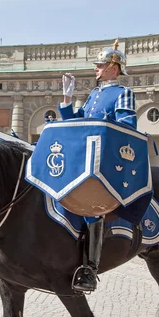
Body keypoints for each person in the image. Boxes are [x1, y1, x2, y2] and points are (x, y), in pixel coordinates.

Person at [59, 40, 138, 292]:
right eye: (96, 65)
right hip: (84, 157)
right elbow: (75, 122)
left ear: (114, 68)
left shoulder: (123, 93)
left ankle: (90, 268)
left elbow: (127, 127)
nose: (96, 68)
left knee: (92, 205)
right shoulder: (93, 95)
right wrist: (67, 98)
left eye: (101, 65)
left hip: (105, 160)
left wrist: (103, 124)